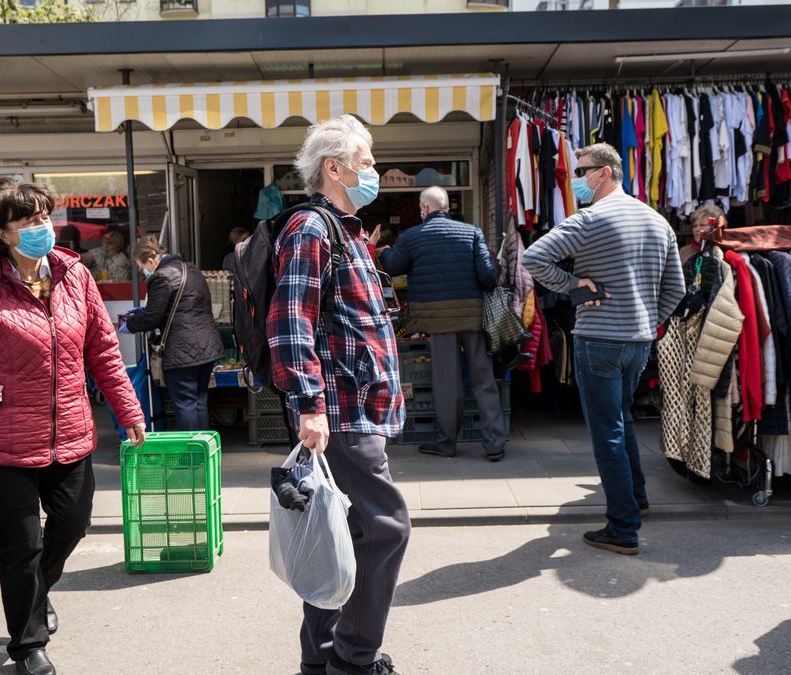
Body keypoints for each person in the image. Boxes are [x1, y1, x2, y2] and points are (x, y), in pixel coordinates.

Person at [0, 178, 146, 675]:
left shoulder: (74, 275)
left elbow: (103, 352)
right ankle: (27, 645)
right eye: (29, 220)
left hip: (72, 433)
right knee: (20, 546)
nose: (42, 227)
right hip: (4, 443)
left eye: (43, 216)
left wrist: (129, 411)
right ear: (1, 233)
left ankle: (36, 592)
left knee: (72, 525)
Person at [269, 114, 410, 675]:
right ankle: (353, 657)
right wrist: (310, 404)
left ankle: (323, 661)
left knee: (341, 535)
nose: (374, 171)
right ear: (335, 168)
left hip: (356, 408)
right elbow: (291, 324)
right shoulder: (311, 229)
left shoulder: (346, 231)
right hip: (339, 412)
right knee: (386, 527)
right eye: (367, 161)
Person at [521, 143, 685, 556]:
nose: (575, 179)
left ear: (605, 173)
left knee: (606, 432)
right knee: (622, 420)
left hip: (599, 339)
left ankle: (623, 527)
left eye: (581, 171)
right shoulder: (657, 221)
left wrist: (574, 285)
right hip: (638, 341)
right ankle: (637, 498)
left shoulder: (591, 218)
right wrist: (647, 320)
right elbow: (676, 290)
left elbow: (534, 257)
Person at [378, 186, 504, 461]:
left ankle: (447, 443)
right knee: (483, 379)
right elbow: (487, 275)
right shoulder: (472, 232)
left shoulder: (412, 236)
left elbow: (393, 267)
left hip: (437, 321)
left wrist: (384, 251)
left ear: (424, 208)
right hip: (471, 316)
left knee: (447, 382)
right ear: (447, 207)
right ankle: (495, 443)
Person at [126, 236, 224, 431]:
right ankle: (204, 451)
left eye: (141, 267)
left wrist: (130, 323)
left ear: (151, 261)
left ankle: (192, 453)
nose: (142, 272)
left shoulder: (161, 276)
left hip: (182, 349)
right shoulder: (192, 269)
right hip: (207, 346)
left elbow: (152, 318)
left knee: (185, 403)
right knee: (200, 400)